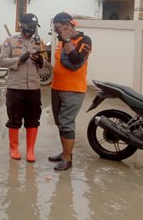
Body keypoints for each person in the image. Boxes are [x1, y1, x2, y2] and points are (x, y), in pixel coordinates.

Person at [48, 12, 92, 171]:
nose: (56, 32)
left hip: (73, 90)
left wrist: (66, 40)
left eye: (58, 28)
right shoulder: (60, 40)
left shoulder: (84, 40)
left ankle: (67, 159)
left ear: (67, 25)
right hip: (57, 87)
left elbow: (76, 60)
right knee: (60, 123)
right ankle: (65, 152)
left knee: (67, 124)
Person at [0, 13, 43, 162]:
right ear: (21, 26)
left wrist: (41, 60)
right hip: (15, 87)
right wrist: (20, 59)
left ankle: (30, 150)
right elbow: (2, 61)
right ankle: (14, 148)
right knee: (14, 119)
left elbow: (46, 67)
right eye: (28, 27)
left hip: (33, 88)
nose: (31, 31)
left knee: (33, 120)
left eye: (34, 28)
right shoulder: (10, 41)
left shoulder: (38, 42)